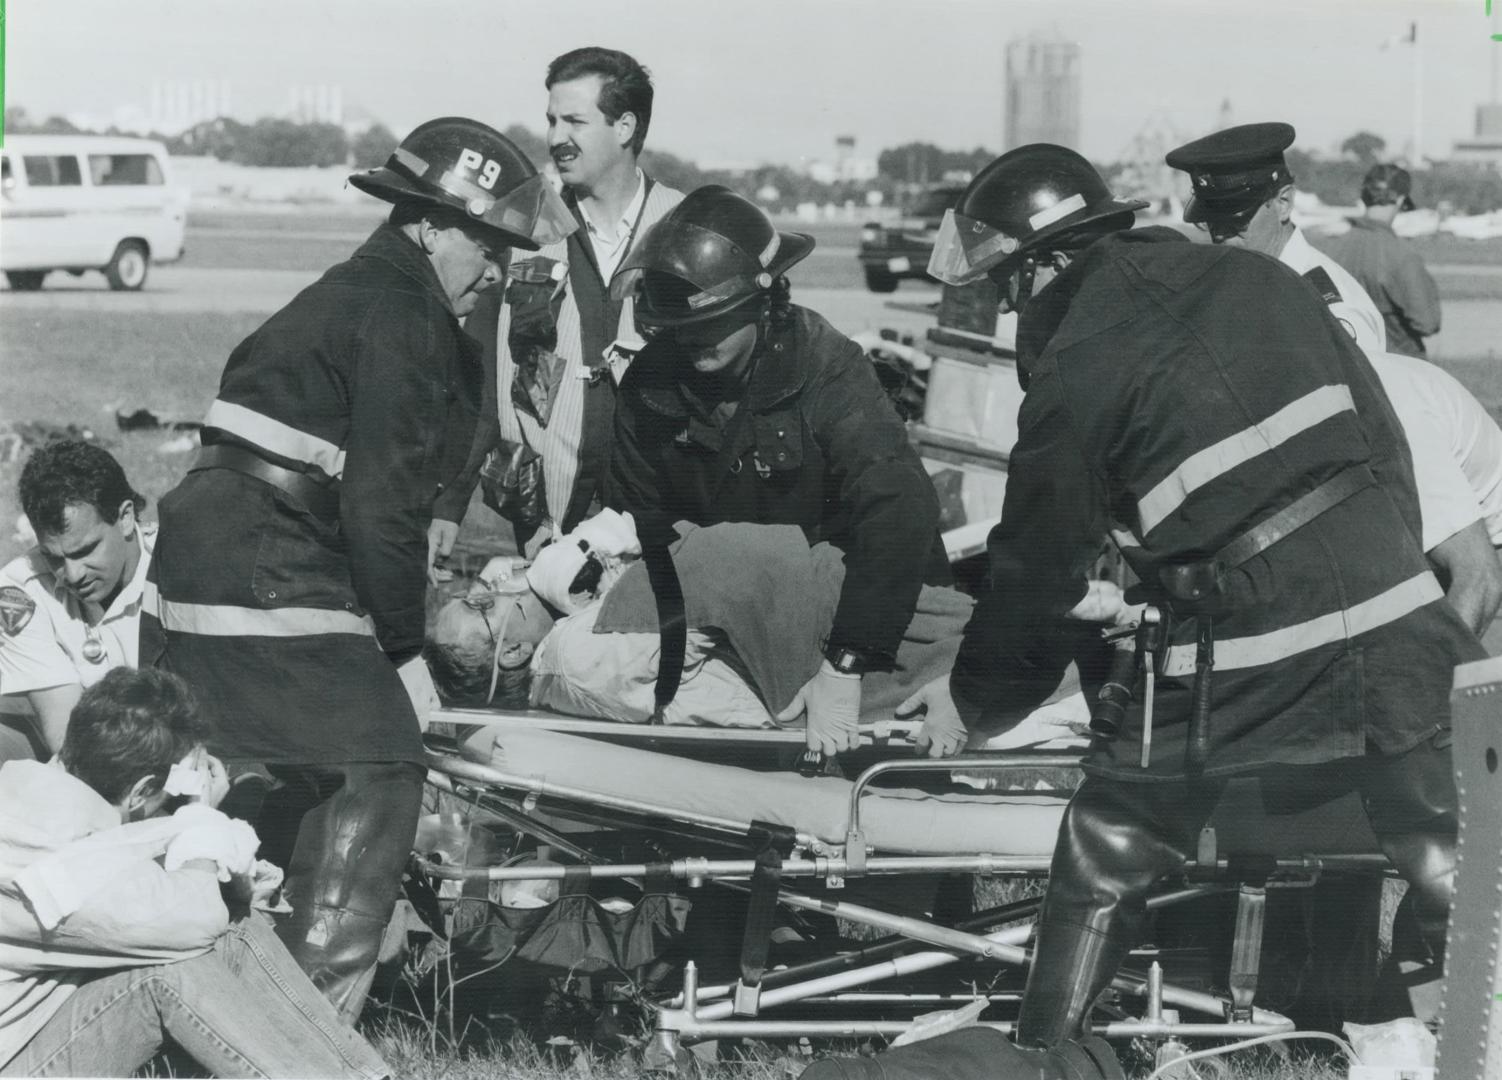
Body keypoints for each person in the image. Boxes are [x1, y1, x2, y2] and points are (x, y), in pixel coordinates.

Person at [907, 144, 1481, 1047]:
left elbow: (1035, 574)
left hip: (1250, 639)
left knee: (1113, 830)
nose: (1014, 307)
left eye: (1011, 284)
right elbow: (1384, 448)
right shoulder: (1261, 280)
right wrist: (1391, 584)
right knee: (1443, 837)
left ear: (1050, 261)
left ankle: (1044, 1051)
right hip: (1399, 610)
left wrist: (977, 699)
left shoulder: (1075, 367)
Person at [141, 117, 575, 1023]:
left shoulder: (346, 291)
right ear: (428, 224)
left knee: (275, 769)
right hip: (267, 566)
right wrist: (407, 655)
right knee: (379, 757)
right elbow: (381, 510)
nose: (495, 269)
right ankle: (300, 1033)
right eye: (487, 242)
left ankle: (205, 988)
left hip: (198, 563)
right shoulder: (407, 313)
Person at [606, 185, 947, 759]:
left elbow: (899, 510)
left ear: (763, 302)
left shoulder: (825, 365)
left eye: (712, 322)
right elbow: (638, 524)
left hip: (856, 611)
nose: (692, 341)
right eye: (678, 327)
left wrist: (847, 662)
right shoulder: (651, 383)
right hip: (730, 618)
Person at [0, 667, 389, 1079]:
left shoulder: (35, 794)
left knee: (234, 928)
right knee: (165, 969)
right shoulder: (47, 846)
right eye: (164, 795)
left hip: (27, 1035)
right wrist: (199, 816)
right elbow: (193, 921)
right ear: (140, 791)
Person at [431, 47, 685, 561]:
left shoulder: (685, 228)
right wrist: (448, 503)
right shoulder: (522, 231)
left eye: (574, 120)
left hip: (663, 522)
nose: (554, 138)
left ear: (625, 127)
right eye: (551, 120)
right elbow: (479, 379)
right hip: (547, 526)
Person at [1165, 122, 1385, 353]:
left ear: (1284, 203)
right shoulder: (1240, 280)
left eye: (1236, 221)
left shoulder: (1331, 311)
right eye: (1211, 221)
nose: (1220, 234)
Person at [0, 441, 153, 760]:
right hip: (91, 758)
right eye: (53, 557)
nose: (71, 574)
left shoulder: (180, 566)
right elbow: (67, 737)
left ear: (125, 517)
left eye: (85, 551)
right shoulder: (20, 590)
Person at [1324, 163, 1443, 358]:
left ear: (1364, 197)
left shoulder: (1331, 250)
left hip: (1344, 365)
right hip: (1396, 367)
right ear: (1401, 199)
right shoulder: (1402, 255)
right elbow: (1428, 323)